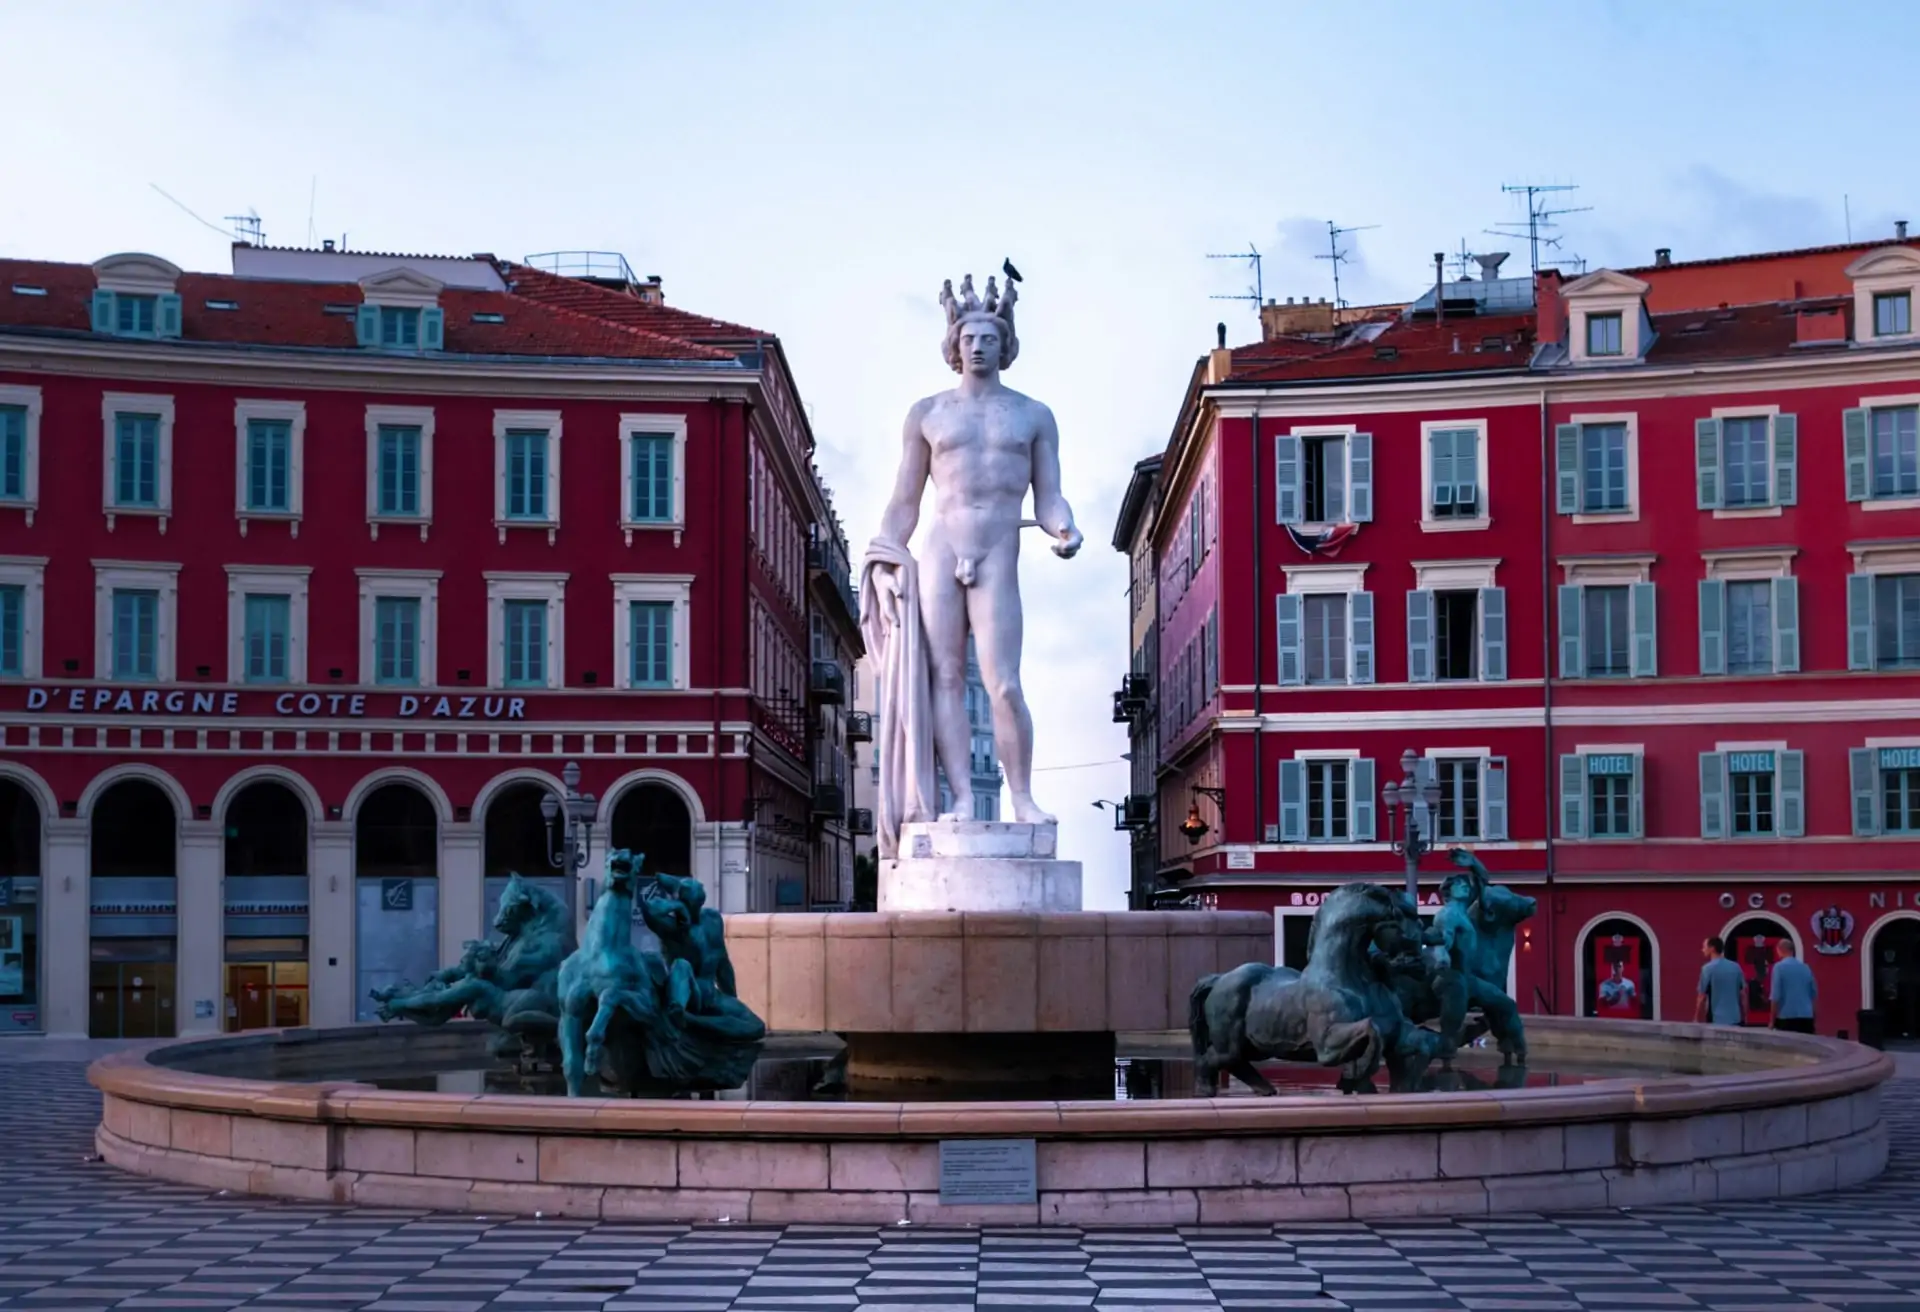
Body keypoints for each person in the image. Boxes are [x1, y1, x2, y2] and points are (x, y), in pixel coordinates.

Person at [1768, 939, 1817, 1034]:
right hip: (1806, 1017)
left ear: (1779, 950)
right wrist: (1813, 1018)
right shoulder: (1806, 967)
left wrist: (1772, 1021)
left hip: (1786, 1017)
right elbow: (1813, 994)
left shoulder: (1779, 967)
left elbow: (1775, 996)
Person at [1696, 936, 1747, 1026]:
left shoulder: (1707, 969)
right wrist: (1745, 1017)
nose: (1702, 949)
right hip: (1735, 1018)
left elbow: (1702, 996)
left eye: (1704, 947)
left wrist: (1696, 1017)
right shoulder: (1736, 967)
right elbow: (1743, 995)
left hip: (1716, 1019)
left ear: (1712, 949)